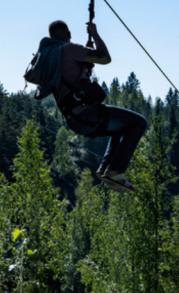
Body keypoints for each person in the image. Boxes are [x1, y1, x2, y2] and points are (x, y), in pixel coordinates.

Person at [47, 19, 147, 192]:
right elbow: (105, 58)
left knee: (122, 128)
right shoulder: (70, 49)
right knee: (139, 123)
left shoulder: (52, 59)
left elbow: (69, 76)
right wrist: (94, 33)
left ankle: (106, 169)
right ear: (67, 34)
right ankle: (114, 171)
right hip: (86, 114)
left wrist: (83, 63)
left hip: (73, 120)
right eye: (69, 33)